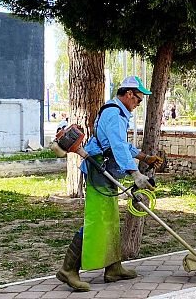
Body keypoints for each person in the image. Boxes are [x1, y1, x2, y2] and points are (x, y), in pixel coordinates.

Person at [56, 76, 164, 292]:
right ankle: (68, 270)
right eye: (138, 99)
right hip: (98, 169)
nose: (138, 104)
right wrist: (135, 174)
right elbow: (117, 146)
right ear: (129, 94)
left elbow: (122, 145)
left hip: (105, 169)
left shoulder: (117, 113)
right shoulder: (114, 114)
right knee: (97, 220)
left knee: (111, 219)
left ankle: (113, 268)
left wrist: (144, 157)